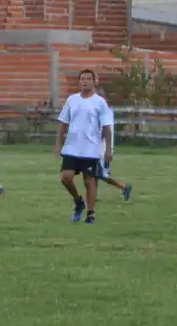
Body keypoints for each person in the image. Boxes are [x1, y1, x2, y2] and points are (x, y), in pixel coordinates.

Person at [55, 69, 113, 224]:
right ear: (79, 81)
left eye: (88, 79)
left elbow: (107, 127)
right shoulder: (71, 100)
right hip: (72, 147)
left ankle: (91, 213)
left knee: (90, 180)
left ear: (94, 81)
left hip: (91, 148)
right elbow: (63, 123)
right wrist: (58, 143)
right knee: (66, 177)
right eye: (82, 79)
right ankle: (79, 201)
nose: (85, 81)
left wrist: (108, 149)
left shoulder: (100, 102)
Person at [96, 100, 133, 201]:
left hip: (102, 149)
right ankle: (93, 196)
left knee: (102, 175)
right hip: (100, 148)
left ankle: (124, 187)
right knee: (93, 173)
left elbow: (104, 131)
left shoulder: (104, 113)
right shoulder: (106, 111)